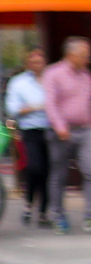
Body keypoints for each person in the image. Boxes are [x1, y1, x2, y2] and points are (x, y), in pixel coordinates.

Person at [42, 38, 91, 232]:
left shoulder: (87, 76)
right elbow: (50, 103)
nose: (87, 59)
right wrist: (60, 126)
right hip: (62, 130)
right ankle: (57, 215)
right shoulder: (53, 74)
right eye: (84, 55)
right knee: (59, 174)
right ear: (71, 54)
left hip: (85, 129)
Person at [6, 48, 49, 227]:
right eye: (34, 62)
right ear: (28, 64)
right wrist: (35, 108)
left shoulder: (51, 80)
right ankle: (29, 202)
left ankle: (43, 212)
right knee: (34, 167)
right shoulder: (19, 83)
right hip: (30, 129)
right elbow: (13, 109)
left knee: (48, 170)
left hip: (50, 129)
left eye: (40, 61)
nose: (37, 65)